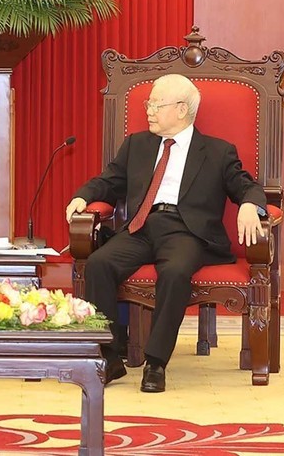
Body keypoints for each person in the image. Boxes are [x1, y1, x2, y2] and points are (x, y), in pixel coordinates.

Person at [65, 74, 265, 393]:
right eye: (149, 103)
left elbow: (248, 186)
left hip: (187, 232)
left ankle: (155, 363)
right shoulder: (138, 144)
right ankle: (110, 357)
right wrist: (83, 196)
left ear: (182, 109)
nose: (149, 110)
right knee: (100, 264)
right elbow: (109, 180)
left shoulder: (217, 151)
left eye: (156, 104)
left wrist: (251, 205)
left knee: (174, 272)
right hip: (142, 227)